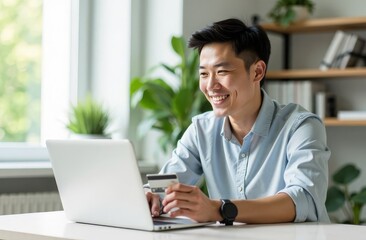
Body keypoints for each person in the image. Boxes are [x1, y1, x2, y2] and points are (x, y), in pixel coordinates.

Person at [145, 18, 330, 224]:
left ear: (257, 71)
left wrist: (220, 209)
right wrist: (151, 196)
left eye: (222, 72)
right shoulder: (201, 129)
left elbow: (303, 199)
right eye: (204, 74)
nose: (211, 85)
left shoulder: (301, 126)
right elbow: (165, 186)